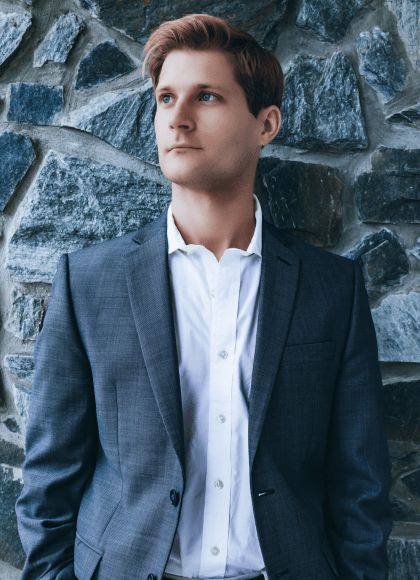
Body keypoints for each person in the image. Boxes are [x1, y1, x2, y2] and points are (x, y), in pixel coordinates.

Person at [16, 13, 392, 580]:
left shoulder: (331, 289)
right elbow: (50, 477)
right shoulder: (88, 282)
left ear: (266, 124)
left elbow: (360, 485)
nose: (178, 118)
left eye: (207, 96)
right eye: (166, 98)